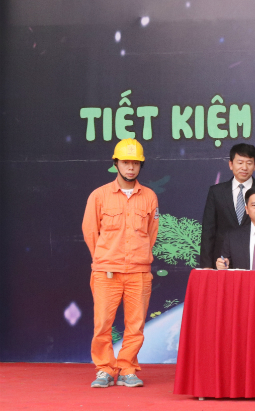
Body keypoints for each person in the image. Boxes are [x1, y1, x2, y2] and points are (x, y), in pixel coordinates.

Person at [82, 139, 159, 388]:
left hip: (139, 272)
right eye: (126, 162)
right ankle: (104, 369)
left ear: (141, 165)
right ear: (116, 163)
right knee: (103, 324)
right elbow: (90, 232)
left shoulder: (149, 196)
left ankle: (127, 368)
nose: (130, 167)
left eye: (135, 163)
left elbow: (152, 233)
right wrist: (105, 258)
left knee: (135, 325)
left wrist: (138, 257)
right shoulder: (99, 195)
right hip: (107, 271)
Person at [199, 143, 255, 269]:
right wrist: (207, 266)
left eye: (249, 163)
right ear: (231, 164)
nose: (244, 167)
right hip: (223, 261)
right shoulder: (216, 192)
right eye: (240, 162)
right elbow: (208, 231)